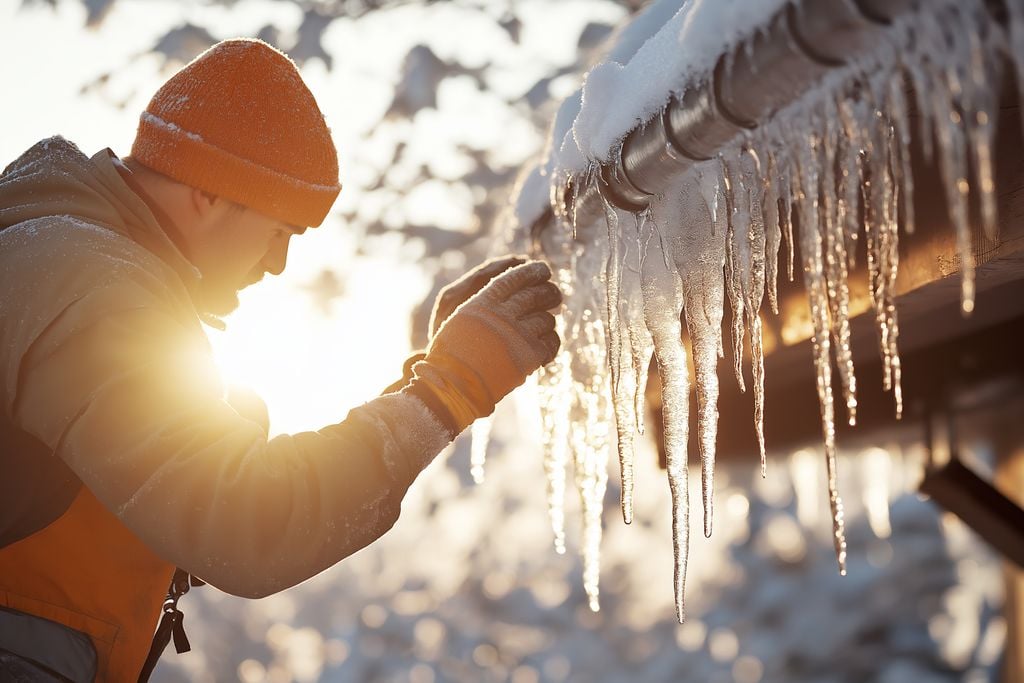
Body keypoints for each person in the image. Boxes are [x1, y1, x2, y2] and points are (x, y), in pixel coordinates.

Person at [0, 38, 561, 682]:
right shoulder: (90, 288)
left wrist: (422, 377)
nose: (278, 265)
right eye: (278, 232)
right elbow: (241, 525)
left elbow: (189, 510)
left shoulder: (62, 264)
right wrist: (446, 390)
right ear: (208, 191)